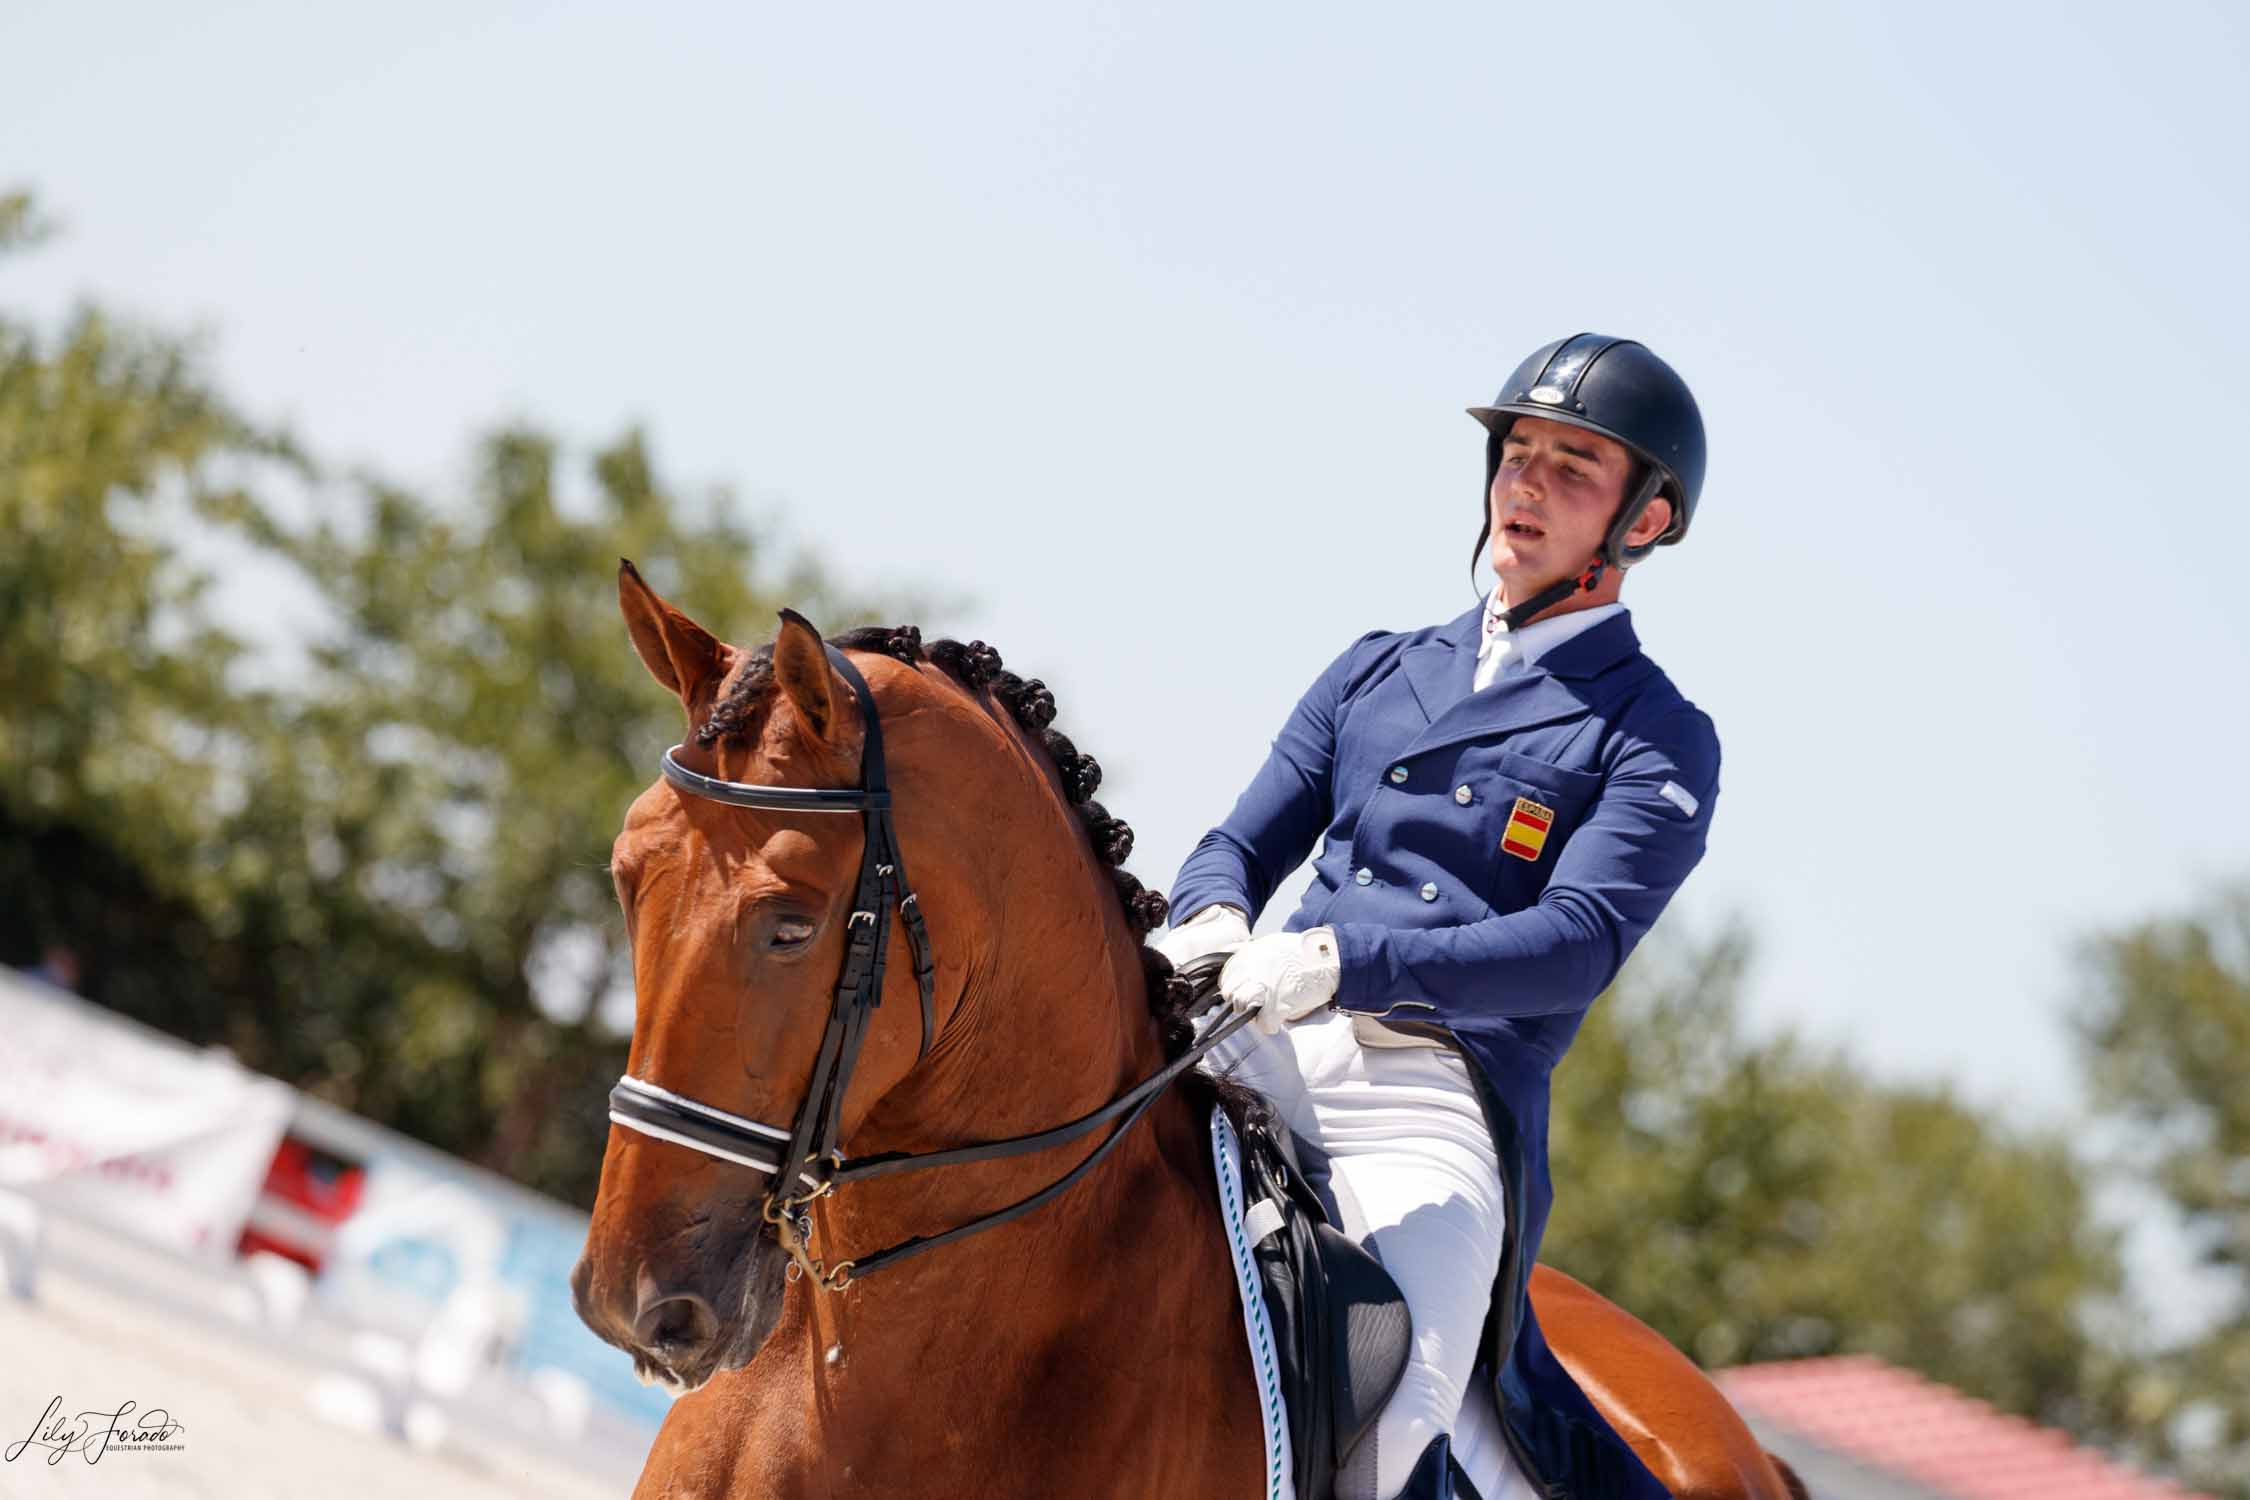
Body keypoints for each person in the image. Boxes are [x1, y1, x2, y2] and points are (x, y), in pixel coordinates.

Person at [1158, 333, 1720, 1500]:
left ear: (1647, 521)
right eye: (1517, 453)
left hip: (1425, 1100)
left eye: (1572, 467)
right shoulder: (1375, 669)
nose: (1525, 484)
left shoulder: (1654, 736)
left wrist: (1342, 962)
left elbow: (1571, 946)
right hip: (1251, 1036)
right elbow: (1236, 846)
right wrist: (1209, 919)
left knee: (1392, 1415)